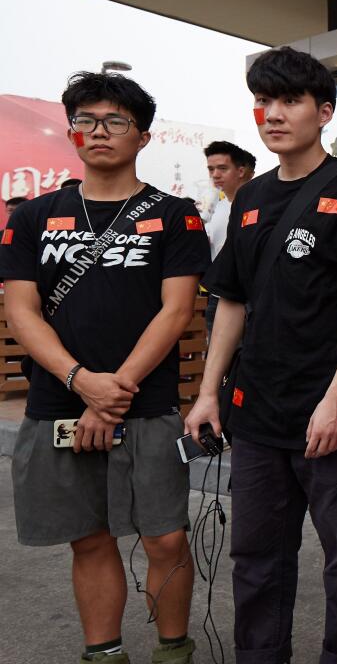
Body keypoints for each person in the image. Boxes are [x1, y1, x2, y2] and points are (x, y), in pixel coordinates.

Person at [185, 47, 337, 664]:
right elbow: (231, 302)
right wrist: (207, 392)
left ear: (325, 112)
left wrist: (336, 401)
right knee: (256, 563)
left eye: (290, 101)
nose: (273, 115)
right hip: (257, 419)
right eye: (263, 103)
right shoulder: (247, 199)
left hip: (331, 418)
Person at [0, 72, 209, 664]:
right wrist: (79, 382)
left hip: (145, 403)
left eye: (115, 121)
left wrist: (109, 391)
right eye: (87, 120)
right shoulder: (35, 216)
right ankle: (105, 654)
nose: (99, 131)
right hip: (61, 402)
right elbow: (22, 310)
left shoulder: (175, 215)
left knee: (165, 536)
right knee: (90, 540)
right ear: (71, 132)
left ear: (142, 136)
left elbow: (176, 311)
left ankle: (173, 651)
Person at [201, 140, 256, 336]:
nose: (215, 175)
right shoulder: (215, 208)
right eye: (211, 169)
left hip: (250, 298)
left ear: (241, 171)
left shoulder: (258, 206)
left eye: (222, 168)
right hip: (218, 297)